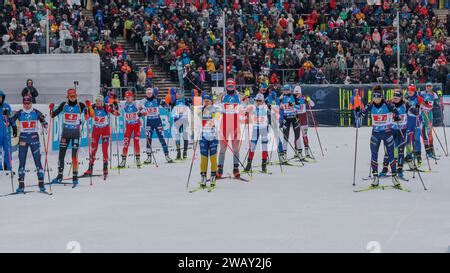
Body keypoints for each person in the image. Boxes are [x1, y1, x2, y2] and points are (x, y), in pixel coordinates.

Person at [356, 85, 401, 188]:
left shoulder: (388, 104)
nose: (376, 99)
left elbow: (396, 111)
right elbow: (362, 114)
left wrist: (397, 116)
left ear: (381, 97)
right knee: (374, 154)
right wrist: (359, 113)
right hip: (375, 134)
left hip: (387, 133)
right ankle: (375, 177)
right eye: (374, 97)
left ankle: (394, 176)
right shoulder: (370, 105)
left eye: (378, 97)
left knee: (391, 155)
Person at [7, 96, 47, 193]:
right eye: (25, 103)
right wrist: (6, 117)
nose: (26, 105)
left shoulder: (36, 112)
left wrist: (43, 123)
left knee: (38, 161)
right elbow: (10, 121)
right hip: (23, 139)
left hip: (34, 138)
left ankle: (41, 183)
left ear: (31, 103)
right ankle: (21, 185)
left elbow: (45, 122)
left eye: (28, 103)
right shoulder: (20, 113)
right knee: (22, 162)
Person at [49, 89, 88, 187]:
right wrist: (51, 108)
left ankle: (75, 177)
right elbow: (52, 115)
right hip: (65, 135)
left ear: (76, 96)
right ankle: (59, 175)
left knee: (74, 156)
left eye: (74, 95)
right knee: (61, 155)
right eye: (70, 96)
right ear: (67, 96)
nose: (72, 97)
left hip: (75, 135)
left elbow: (89, 116)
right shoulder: (63, 105)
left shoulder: (80, 105)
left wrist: (89, 108)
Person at [83, 94, 119, 178]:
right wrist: (86, 111)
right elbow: (86, 116)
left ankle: (105, 168)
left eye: (99, 101)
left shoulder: (106, 107)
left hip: (105, 130)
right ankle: (90, 168)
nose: (97, 102)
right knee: (93, 149)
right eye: (96, 101)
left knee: (104, 149)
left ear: (102, 101)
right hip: (96, 130)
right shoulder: (92, 107)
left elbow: (117, 114)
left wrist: (115, 108)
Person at [380, 89, 409, 179]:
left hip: (401, 130)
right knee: (388, 151)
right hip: (390, 130)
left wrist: (417, 108)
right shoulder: (390, 104)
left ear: (401, 97)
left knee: (400, 151)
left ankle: (400, 170)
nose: (395, 99)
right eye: (394, 97)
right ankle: (385, 169)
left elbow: (415, 112)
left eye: (397, 97)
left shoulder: (405, 104)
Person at [141, 87, 173, 164]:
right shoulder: (144, 101)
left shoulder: (157, 100)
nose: (149, 94)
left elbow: (165, 105)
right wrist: (140, 112)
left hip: (157, 121)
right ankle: (149, 157)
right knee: (148, 139)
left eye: (150, 93)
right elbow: (140, 109)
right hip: (149, 122)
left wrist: (168, 107)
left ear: (152, 93)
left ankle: (167, 156)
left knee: (162, 139)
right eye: (147, 93)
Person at [217, 78, 242, 179]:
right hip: (224, 124)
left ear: (235, 86)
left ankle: (236, 169)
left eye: (232, 86)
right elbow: (216, 106)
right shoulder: (222, 96)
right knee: (222, 149)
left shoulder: (239, 96)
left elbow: (246, 106)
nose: (230, 88)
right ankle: (220, 169)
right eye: (228, 86)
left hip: (235, 125)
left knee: (236, 149)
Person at [118, 90, 146, 168]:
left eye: (129, 97)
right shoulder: (123, 104)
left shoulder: (136, 103)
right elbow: (117, 109)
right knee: (126, 143)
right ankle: (123, 160)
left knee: (136, 142)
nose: (127, 99)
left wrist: (141, 113)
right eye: (126, 97)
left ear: (132, 97)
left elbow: (144, 112)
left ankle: (138, 159)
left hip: (136, 125)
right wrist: (115, 104)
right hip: (129, 126)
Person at [244, 93, 270, 173]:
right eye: (257, 100)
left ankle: (264, 165)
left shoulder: (266, 107)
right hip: (255, 129)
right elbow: (247, 109)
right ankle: (248, 165)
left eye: (260, 101)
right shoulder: (253, 106)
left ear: (263, 101)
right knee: (252, 146)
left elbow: (270, 114)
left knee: (264, 147)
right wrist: (247, 114)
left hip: (264, 129)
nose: (258, 102)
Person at [198, 94, 219, 189]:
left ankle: (213, 177)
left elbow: (218, 119)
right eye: (205, 101)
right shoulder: (201, 109)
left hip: (213, 137)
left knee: (213, 158)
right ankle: (203, 177)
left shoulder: (216, 109)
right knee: (203, 158)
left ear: (211, 102)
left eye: (208, 101)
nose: (206, 103)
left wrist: (214, 117)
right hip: (203, 136)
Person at [278, 84, 301, 163]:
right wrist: (280, 121)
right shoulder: (281, 98)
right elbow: (280, 109)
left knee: (297, 135)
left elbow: (299, 107)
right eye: (285, 90)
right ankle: (284, 154)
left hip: (295, 118)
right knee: (285, 136)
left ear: (290, 90)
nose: (286, 91)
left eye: (288, 90)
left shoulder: (294, 96)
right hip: (286, 119)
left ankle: (299, 152)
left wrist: (293, 105)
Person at [293, 85, 315, 159]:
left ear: (300, 92)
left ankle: (306, 152)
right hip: (296, 117)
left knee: (304, 135)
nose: (297, 95)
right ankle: (297, 152)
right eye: (295, 93)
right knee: (297, 136)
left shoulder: (304, 98)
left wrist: (309, 99)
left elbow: (312, 104)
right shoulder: (292, 99)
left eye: (298, 93)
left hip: (304, 117)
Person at [404, 84, 424, 165]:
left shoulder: (418, 97)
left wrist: (421, 105)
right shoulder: (406, 98)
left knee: (416, 138)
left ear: (414, 91)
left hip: (417, 120)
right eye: (409, 90)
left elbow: (426, 104)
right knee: (408, 139)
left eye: (411, 91)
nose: (410, 92)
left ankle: (418, 155)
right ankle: (408, 156)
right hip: (409, 121)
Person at [419, 82, 439, 159]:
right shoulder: (422, 93)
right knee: (423, 132)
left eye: (429, 86)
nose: (428, 87)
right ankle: (427, 151)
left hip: (429, 114)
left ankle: (432, 150)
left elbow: (437, 103)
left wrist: (438, 104)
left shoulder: (434, 94)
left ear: (432, 87)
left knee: (429, 132)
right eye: (427, 86)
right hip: (422, 114)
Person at [171, 89, 191, 160]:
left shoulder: (186, 101)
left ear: (183, 94)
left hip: (185, 120)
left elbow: (190, 109)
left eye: (181, 94)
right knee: (177, 136)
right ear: (176, 95)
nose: (179, 95)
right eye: (178, 94)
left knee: (185, 135)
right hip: (177, 121)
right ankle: (178, 152)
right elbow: (171, 110)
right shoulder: (174, 102)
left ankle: (185, 152)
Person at [0, 90, 14, 172]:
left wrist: (14, 127)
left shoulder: (7, 106)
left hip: (6, 133)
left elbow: (11, 118)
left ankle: (8, 167)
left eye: (1, 97)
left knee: (8, 150)